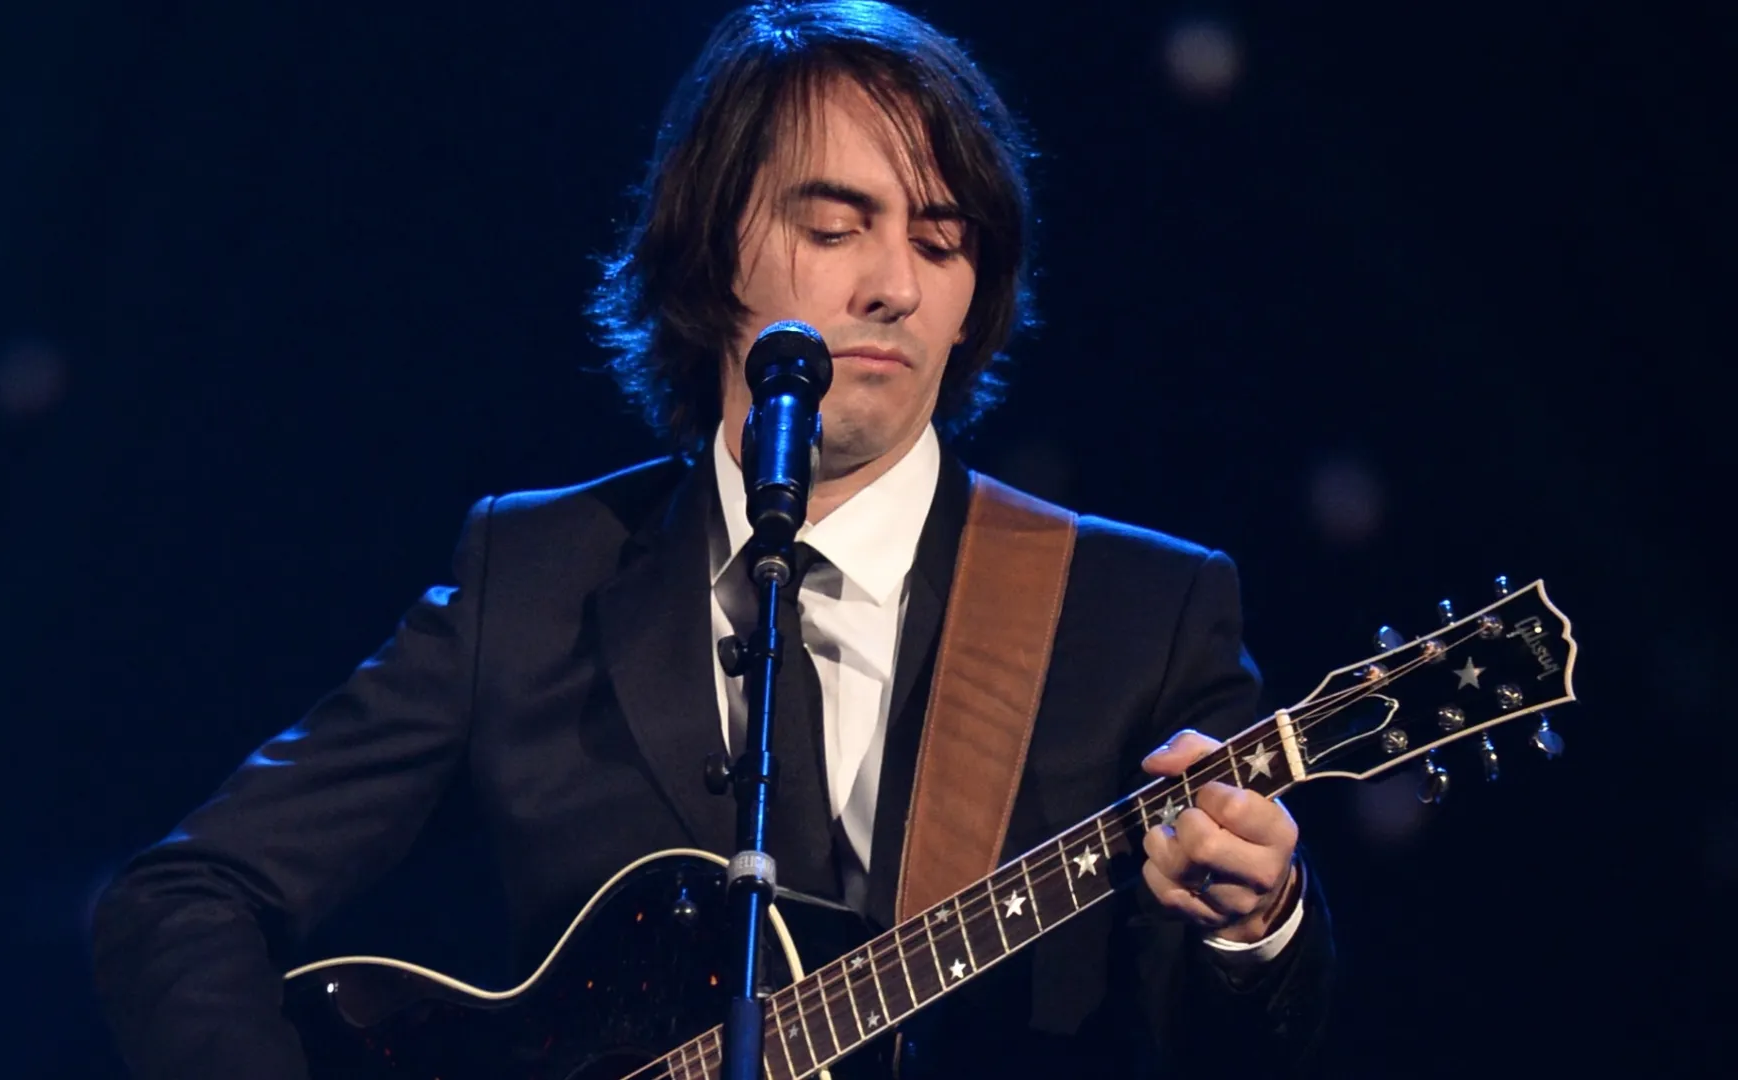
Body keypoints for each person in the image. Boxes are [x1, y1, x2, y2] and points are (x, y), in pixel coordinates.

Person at [91, 2, 1334, 1077]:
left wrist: (1256, 929)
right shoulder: (533, 576)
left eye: (941, 240)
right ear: (713, 247)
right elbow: (178, 900)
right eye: (837, 228)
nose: (896, 285)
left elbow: (1247, 1056)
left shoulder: (1139, 611)